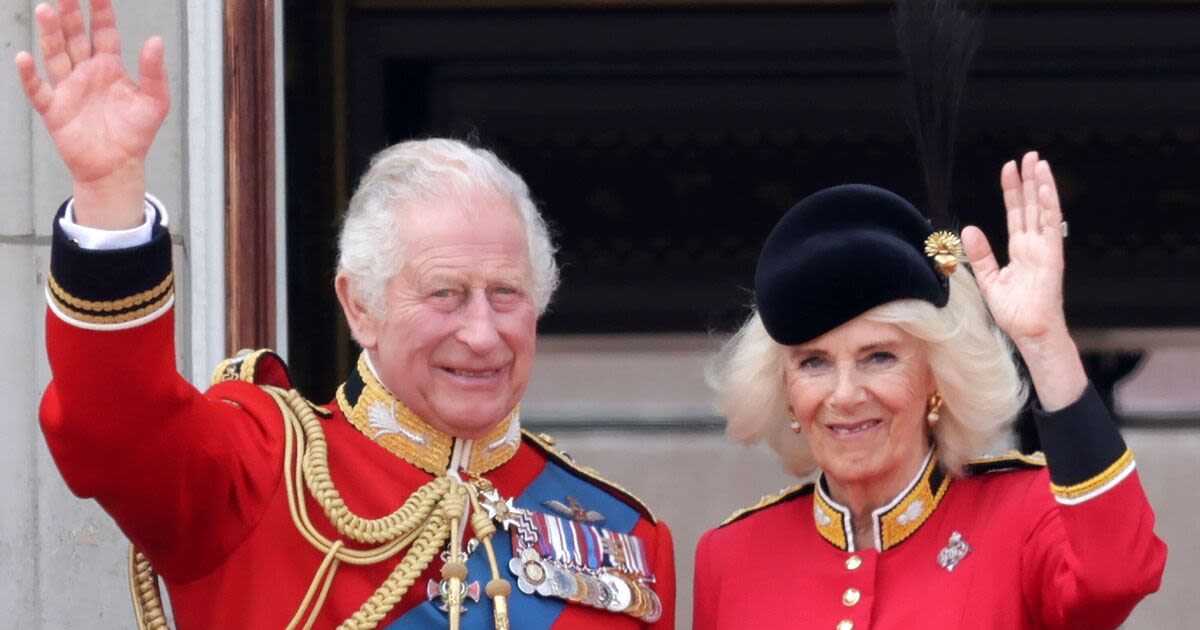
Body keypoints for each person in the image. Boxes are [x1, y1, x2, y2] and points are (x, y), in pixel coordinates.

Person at [16, 1, 674, 628]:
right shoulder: (260, 472)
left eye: (505, 293)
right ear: (361, 306)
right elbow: (115, 427)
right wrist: (109, 193)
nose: (481, 333)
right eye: (444, 293)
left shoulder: (620, 537)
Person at [693, 155, 1167, 629]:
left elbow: (1117, 576)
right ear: (785, 390)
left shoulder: (1023, 515)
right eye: (813, 363)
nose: (845, 394)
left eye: (879, 357)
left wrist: (1044, 343)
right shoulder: (731, 556)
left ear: (937, 377)